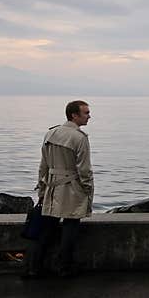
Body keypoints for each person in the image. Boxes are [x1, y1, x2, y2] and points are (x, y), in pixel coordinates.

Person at [23, 100, 94, 278]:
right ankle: (64, 266)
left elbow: (43, 166)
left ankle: (34, 267)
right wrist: (87, 189)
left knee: (46, 229)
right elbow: (84, 169)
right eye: (85, 113)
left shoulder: (50, 134)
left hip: (51, 187)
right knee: (70, 227)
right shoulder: (79, 138)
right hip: (72, 187)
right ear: (74, 115)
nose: (89, 116)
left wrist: (41, 189)